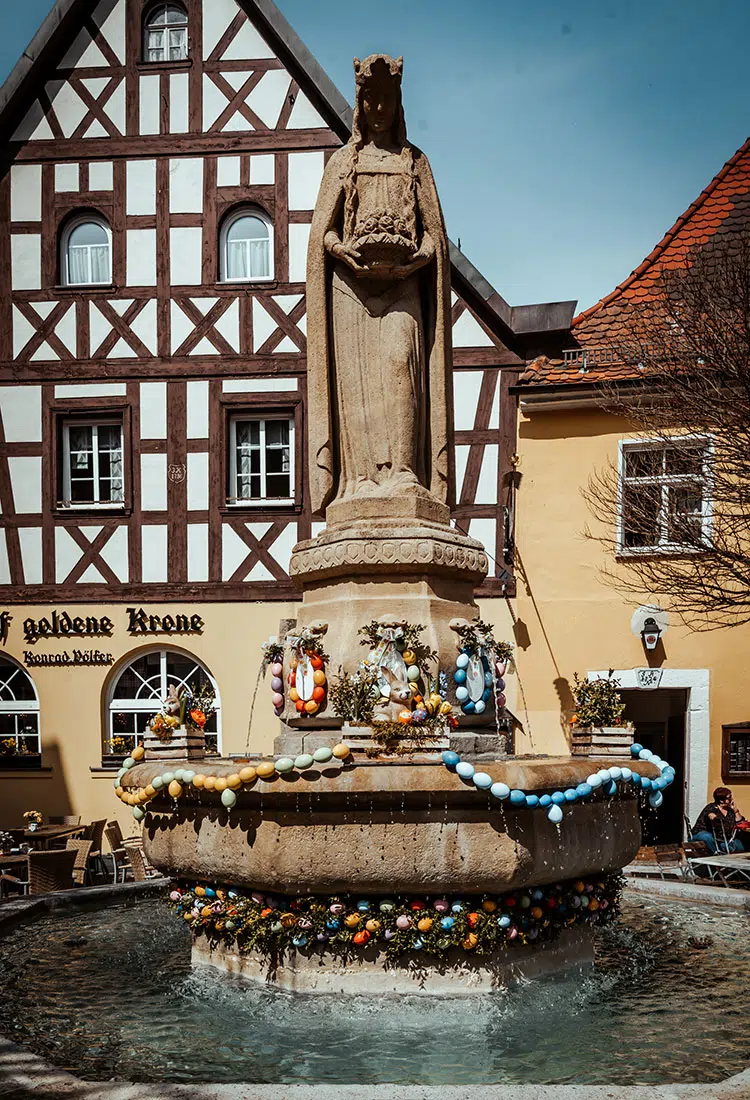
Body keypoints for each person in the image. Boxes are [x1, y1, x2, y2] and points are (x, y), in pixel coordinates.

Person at [692, 787, 745, 853]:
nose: (732, 799)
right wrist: (715, 818)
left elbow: (740, 822)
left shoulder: (730, 810)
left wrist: (735, 811)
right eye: (729, 797)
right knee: (708, 837)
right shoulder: (712, 807)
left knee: (739, 844)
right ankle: (716, 855)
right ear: (721, 800)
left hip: (723, 837)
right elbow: (710, 815)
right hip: (703, 833)